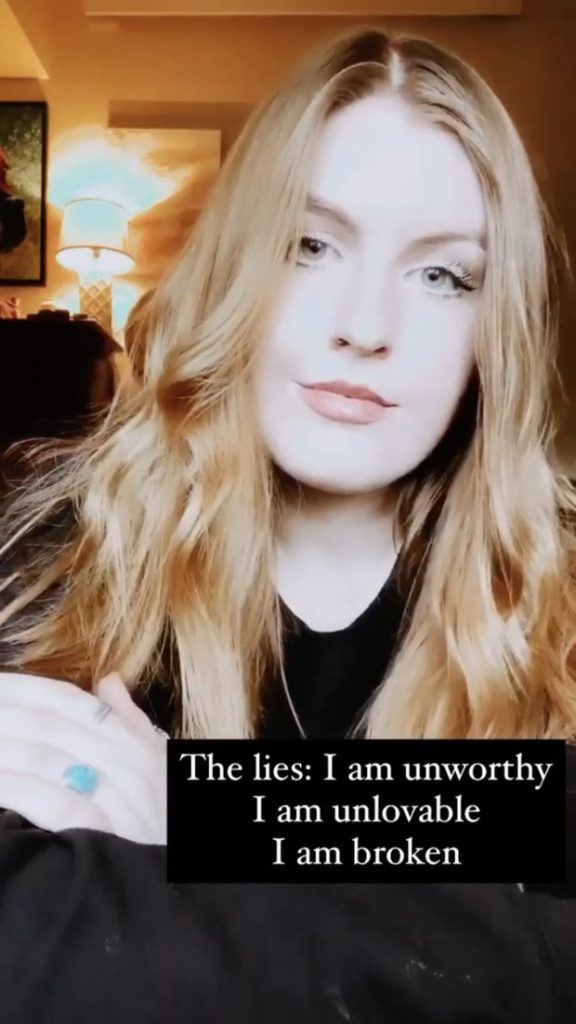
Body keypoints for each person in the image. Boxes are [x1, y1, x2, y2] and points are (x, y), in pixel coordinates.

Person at [1, 24, 576, 1024]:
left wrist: (206, 819)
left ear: (498, 329)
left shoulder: (560, 583)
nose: (366, 326)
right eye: (311, 245)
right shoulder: (59, 554)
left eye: (444, 275)